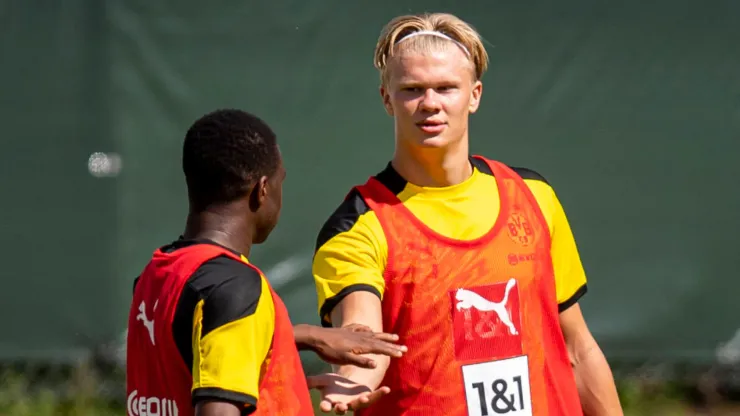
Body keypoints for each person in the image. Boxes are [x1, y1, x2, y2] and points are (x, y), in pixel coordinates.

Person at [311, 12, 624, 416]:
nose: (430, 104)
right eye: (412, 89)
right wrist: (357, 376)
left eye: (446, 88)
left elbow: (578, 347)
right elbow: (361, 327)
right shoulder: (359, 223)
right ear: (387, 99)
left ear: (474, 95)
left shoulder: (533, 196)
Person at [126, 109, 406, 416]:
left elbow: (205, 336)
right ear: (262, 190)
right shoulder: (236, 288)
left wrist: (306, 336)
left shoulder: (158, 274)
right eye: (280, 181)